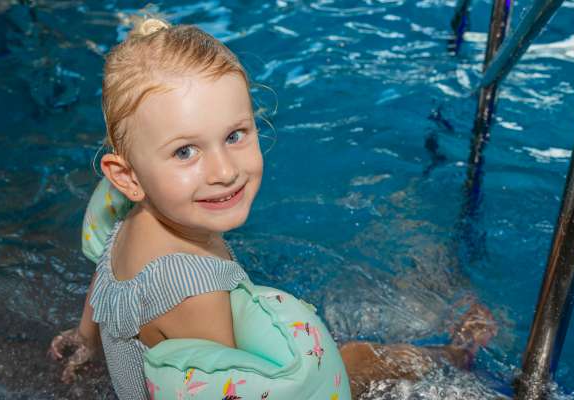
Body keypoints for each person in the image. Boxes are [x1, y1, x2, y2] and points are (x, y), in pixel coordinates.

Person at [48, 17, 496, 400]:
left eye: (235, 135)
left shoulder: (129, 220)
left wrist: (86, 339)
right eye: (185, 151)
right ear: (126, 176)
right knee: (358, 358)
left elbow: (103, 280)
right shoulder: (193, 287)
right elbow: (237, 386)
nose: (224, 171)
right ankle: (458, 356)